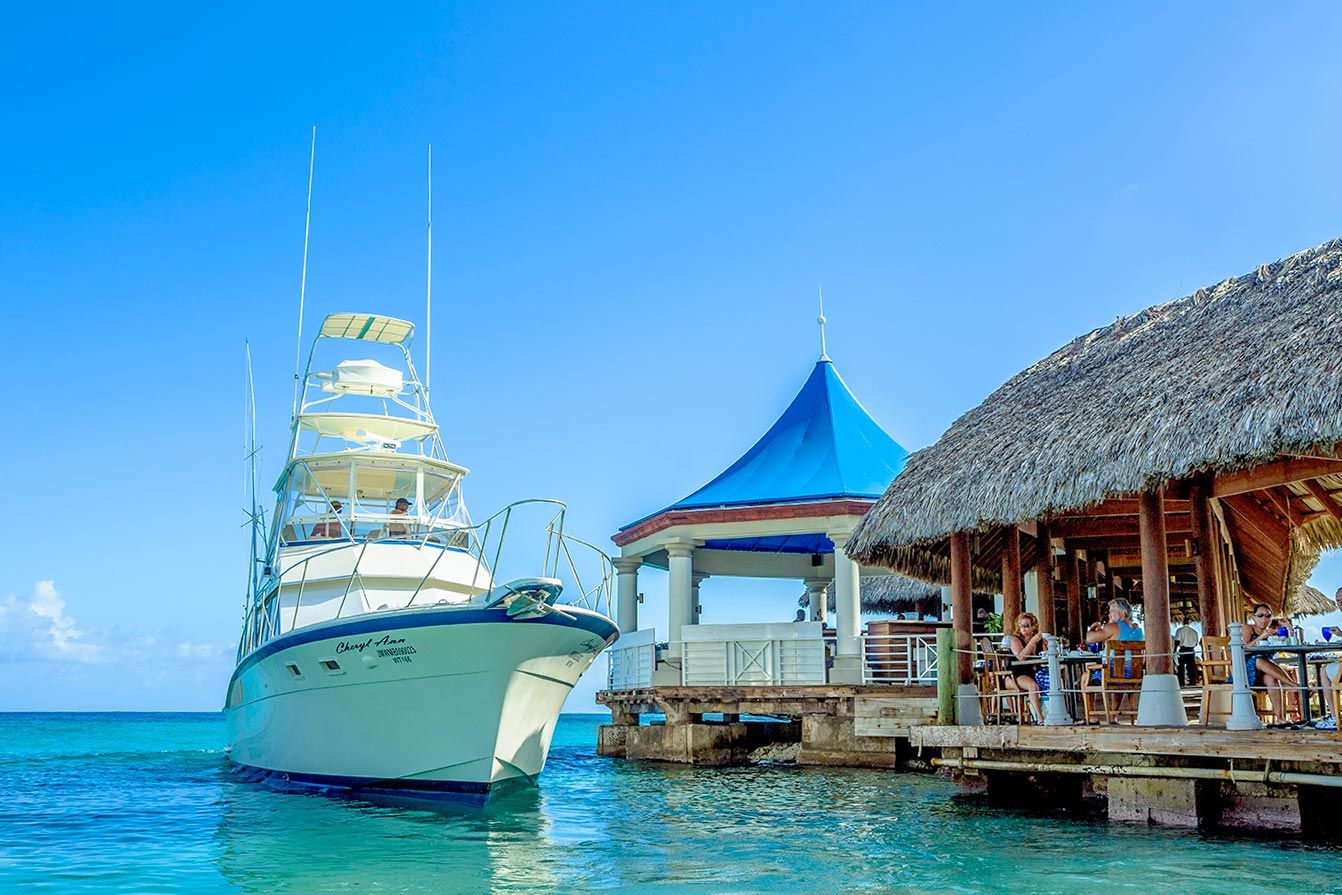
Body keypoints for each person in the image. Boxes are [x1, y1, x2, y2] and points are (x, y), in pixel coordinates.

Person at [1241, 602, 1300, 722]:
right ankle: (1294, 685)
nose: (1264, 619)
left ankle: (1280, 718)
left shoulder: (1273, 632)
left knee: (1271, 678)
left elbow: (1292, 646)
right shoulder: (1248, 628)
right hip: (1246, 671)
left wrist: (1288, 628)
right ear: (1254, 617)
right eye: (1260, 615)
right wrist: (1261, 637)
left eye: (1268, 616)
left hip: (1265, 671)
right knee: (1258, 659)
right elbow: (1243, 650)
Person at [1002, 611, 1046, 723]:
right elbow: (1021, 657)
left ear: (1033, 626)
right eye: (1021, 625)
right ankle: (1040, 718)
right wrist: (1032, 642)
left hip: (1034, 672)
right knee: (1033, 686)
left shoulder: (1040, 641)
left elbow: (1046, 655)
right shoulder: (1015, 640)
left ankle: (1058, 713)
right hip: (1015, 674)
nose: (1024, 628)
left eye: (1027, 625)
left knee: (1056, 681)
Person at [1173, 613, 1200, 686]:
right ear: (1190, 622)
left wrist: (1174, 650)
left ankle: (1181, 683)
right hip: (1191, 650)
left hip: (1183, 650)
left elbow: (1177, 642)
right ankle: (1193, 682)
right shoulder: (1194, 632)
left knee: (1181, 668)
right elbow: (1196, 643)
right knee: (1191, 668)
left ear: (1182, 622)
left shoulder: (1179, 630)